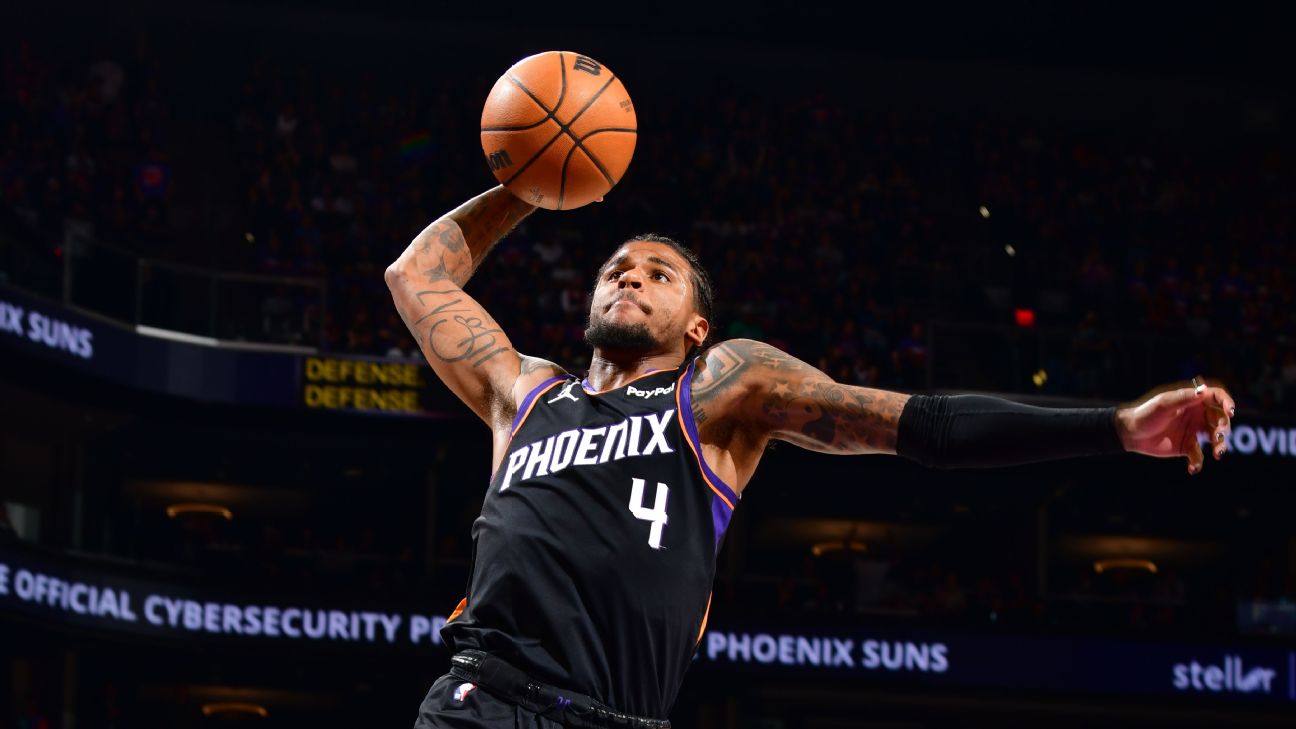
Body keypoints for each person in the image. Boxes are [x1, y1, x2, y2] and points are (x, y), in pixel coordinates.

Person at [386, 186, 1236, 729]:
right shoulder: (526, 394)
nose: (630, 277)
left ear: (697, 327)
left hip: (621, 715)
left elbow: (925, 424)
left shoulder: (720, 388)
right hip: (482, 699)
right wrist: (531, 184)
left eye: (659, 273)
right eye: (618, 269)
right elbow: (415, 275)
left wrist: (1113, 426)